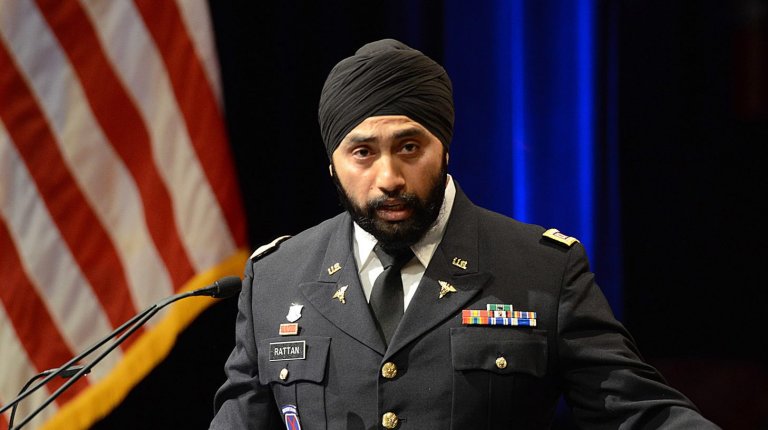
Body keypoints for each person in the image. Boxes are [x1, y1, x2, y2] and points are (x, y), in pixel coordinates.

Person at [210, 39, 718, 429]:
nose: (388, 177)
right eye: (363, 152)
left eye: (409, 147)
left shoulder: (542, 269)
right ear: (333, 167)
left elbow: (639, 413)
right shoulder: (275, 277)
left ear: (445, 150)